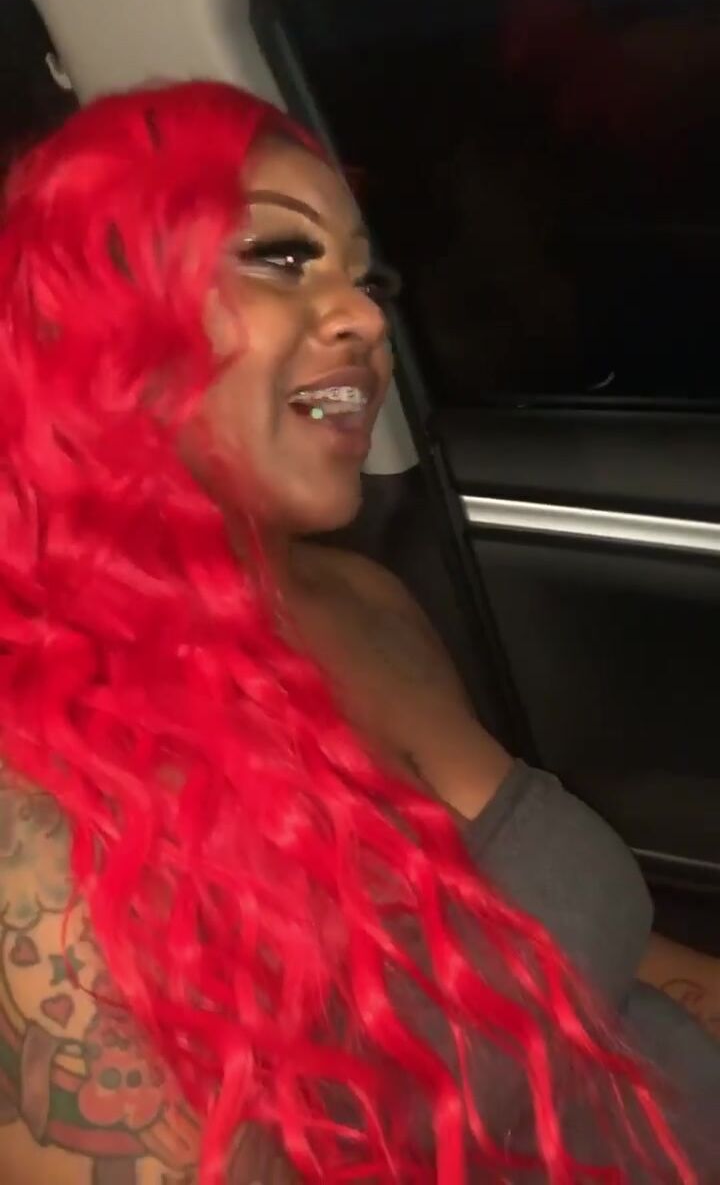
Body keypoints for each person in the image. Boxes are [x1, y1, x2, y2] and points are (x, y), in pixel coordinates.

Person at [0, 81, 716, 1185]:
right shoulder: (45, 796)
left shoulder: (365, 603)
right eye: (281, 258)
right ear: (99, 321)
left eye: (364, 276)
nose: (369, 319)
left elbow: (591, 960)